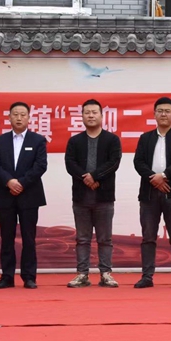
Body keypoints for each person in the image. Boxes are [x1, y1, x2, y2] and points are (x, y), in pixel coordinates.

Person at [133, 97, 171, 289]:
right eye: (160, 111)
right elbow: (138, 162)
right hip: (149, 193)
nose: (164, 114)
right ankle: (147, 276)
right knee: (148, 237)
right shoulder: (145, 138)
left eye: (167, 111)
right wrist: (154, 178)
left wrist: (164, 175)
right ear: (154, 114)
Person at [0, 102, 48, 289]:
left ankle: (29, 276)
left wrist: (21, 182)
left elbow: (40, 165)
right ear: (9, 117)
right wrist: (9, 181)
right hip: (5, 194)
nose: (19, 118)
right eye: (15, 114)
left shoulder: (38, 140)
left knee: (29, 238)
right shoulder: (0, 140)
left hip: (29, 194)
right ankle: (7, 276)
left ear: (29, 118)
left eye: (23, 114)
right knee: (6, 238)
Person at [64, 99, 122, 288]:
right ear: (82, 116)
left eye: (94, 112)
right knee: (82, 239)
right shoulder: (75, 141)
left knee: (105, 239)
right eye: (87, 112)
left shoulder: (112, 140)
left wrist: (95, 176)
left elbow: (114, 162)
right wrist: (85, 178)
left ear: (101, 116)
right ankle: (82, 274)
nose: (90, 115)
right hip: (81, 197)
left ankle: (106, 274)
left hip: (104, 196)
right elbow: (70, 163)